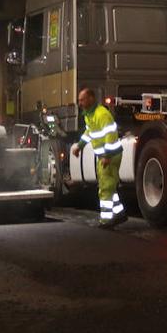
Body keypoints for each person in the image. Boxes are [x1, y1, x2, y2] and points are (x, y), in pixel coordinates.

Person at [71, 87, 126, 228]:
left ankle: (106, 219)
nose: (80, 103)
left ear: (91, 98)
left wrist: (107, 156)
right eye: (79, 100)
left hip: (110, 156)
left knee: (105, 188)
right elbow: (90, 131)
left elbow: (111, 136)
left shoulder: (102, 115)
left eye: (82, 100)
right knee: (109, 186)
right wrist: (80, 146)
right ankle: (119, 213)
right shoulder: (90, 115)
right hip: (104, 155)